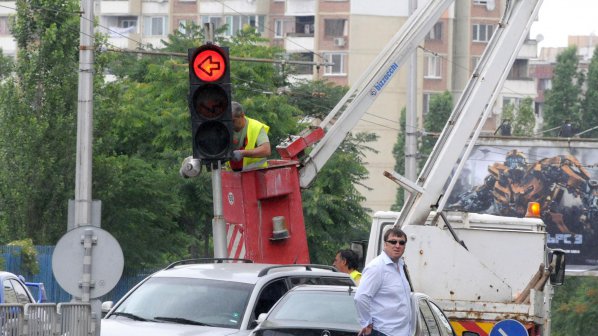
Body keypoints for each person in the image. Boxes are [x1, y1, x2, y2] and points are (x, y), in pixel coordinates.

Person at [354, 227, 412, 336]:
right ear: (385, 244)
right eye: (393, 242)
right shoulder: (377, 267)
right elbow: (361, 297)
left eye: (401, 242)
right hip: (383, 331)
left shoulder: (400, 265)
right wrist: (367, 323)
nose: (397, 245)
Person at [228, 101, 271, 171]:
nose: (230, 124)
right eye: (228, 121)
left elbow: (266, 150)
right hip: (233, 176)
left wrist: (242, 153)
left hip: (257, 175)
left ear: (242, 115)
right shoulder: (225, 129)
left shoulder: (256, 127)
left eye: (233, 121)